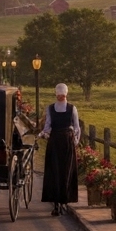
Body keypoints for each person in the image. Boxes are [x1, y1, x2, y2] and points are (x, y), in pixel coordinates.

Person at [40, 83, 80, 216]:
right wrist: (44, 134)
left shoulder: (72, 109)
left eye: (63, 95)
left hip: (67, 143)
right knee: (54, 172)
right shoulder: (50, 109)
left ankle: (65, 200)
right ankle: (56, 203)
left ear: (66, 94)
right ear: (56, 95)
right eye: (59, 95)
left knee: (66, 171)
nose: (61, 97)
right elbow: (48, 125)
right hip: (55, 142)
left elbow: (76, 127)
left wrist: (75, 140)